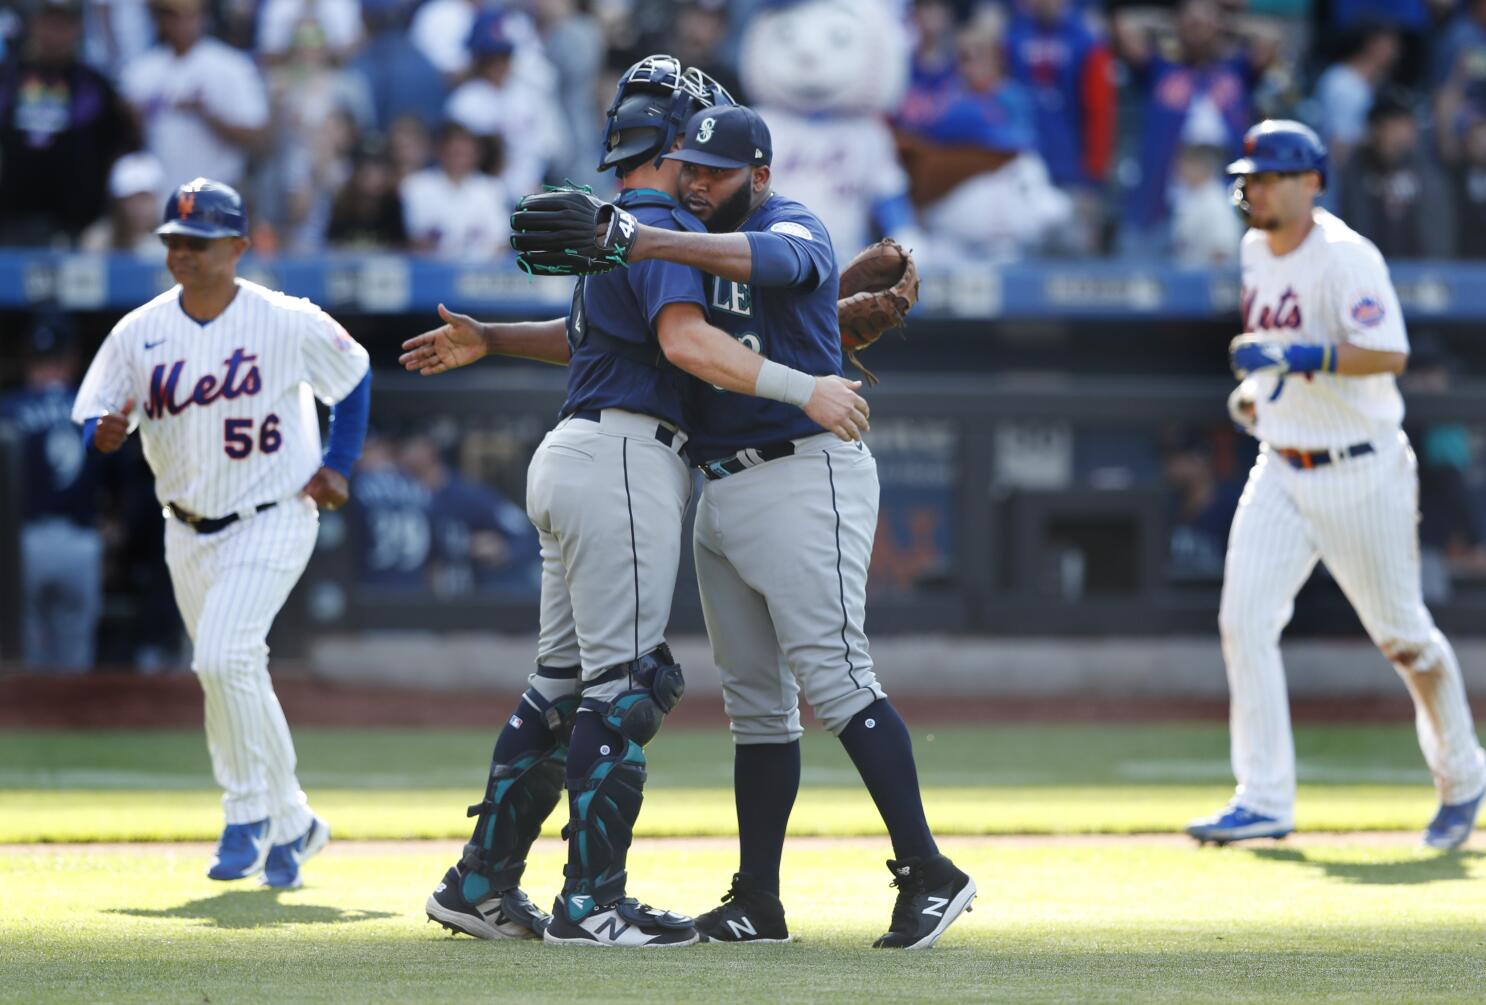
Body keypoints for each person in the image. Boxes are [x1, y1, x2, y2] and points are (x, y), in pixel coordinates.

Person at [401, 56, 867, 949]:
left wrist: (492, 337)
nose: (702, 162)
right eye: (695, 138)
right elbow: (688, 340)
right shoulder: (655, 216)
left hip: (578, 450)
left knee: (560, 684)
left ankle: (481, 882)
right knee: (625, 688)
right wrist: (809, 383)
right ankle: (592, 901)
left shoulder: (620, 222)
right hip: (625, 453)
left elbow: (590, 335)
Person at [543, 103, 978, 949]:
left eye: (719, 171)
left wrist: (644, 239)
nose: (701, 183)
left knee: (839, 678)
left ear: (761, 175)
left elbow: (769, 260)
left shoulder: (791, 220)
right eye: (691, 168)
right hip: (722, 487)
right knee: (756, 709)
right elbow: (608, 335)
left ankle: (930, 870)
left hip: (804, 466)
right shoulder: (680, 240)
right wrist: (489, 336)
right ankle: (757, 900)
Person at [1188, 120, 1486, 849]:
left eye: (1270, 176)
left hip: (1362, 468)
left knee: (1404, 638)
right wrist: (1262, 392)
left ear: (1311, 181)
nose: (1255, 187)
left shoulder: (1348, 255)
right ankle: (1262, 796)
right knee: (1243, 621)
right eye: (1250, 176)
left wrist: (1295, 355)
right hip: (1283, 463)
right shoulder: (1256, 249)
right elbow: (1278, 363)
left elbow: (1388, 352)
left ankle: (1465, 776)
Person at [70, 177, 373, 887]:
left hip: (273, 512)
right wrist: (101, 434)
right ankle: (294, 820)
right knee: (230, 671)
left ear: (238, 245)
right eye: (174, 240)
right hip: (188, 529)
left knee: (221, 656)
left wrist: (339, 462)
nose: (184, 253)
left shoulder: (286, 317)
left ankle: (247, 812)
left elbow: (354, 374)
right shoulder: (138, 330)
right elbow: (95, 411)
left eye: (199, 241)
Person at [0, 314, 105, 672]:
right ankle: (76, 726)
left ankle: (32, 726)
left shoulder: (9, 409)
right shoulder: (92, 410)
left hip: (22, 546)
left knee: (28, 658)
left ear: (30, 358)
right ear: (72, 358)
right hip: (80, 541)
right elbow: (120, 477)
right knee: (74, 660)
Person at [0, 0, 137, 245]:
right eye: (49, 24)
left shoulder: (94, 84)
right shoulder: (8, 77)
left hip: (80, 225)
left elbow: (120, 144)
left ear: (78, 30)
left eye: (63, 25)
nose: (54, 34)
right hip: (13, 219)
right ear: (34, 26)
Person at [119, 0, 268, 193]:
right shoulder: (140, 71)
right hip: (160, 197)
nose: (179, 24)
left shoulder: (232, 66)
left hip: (217, 194)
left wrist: (205, 114)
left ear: (203, 16)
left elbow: (258, 138)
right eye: (171, 15)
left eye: (188, 15)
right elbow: (127, 139)